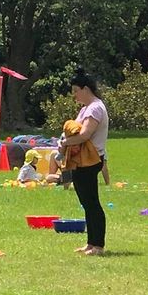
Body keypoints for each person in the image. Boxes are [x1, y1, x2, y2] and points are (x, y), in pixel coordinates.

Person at [62, 70, 110, 255]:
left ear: (86, 89)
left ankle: (98, 245)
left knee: (92, 203)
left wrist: (65, 143)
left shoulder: (95, 108)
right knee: (87, 203)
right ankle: (91, 243)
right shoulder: (85, 109)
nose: (74, 95)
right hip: (81, 162)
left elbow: (84, 135)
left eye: (76, 91)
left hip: (91, 160)